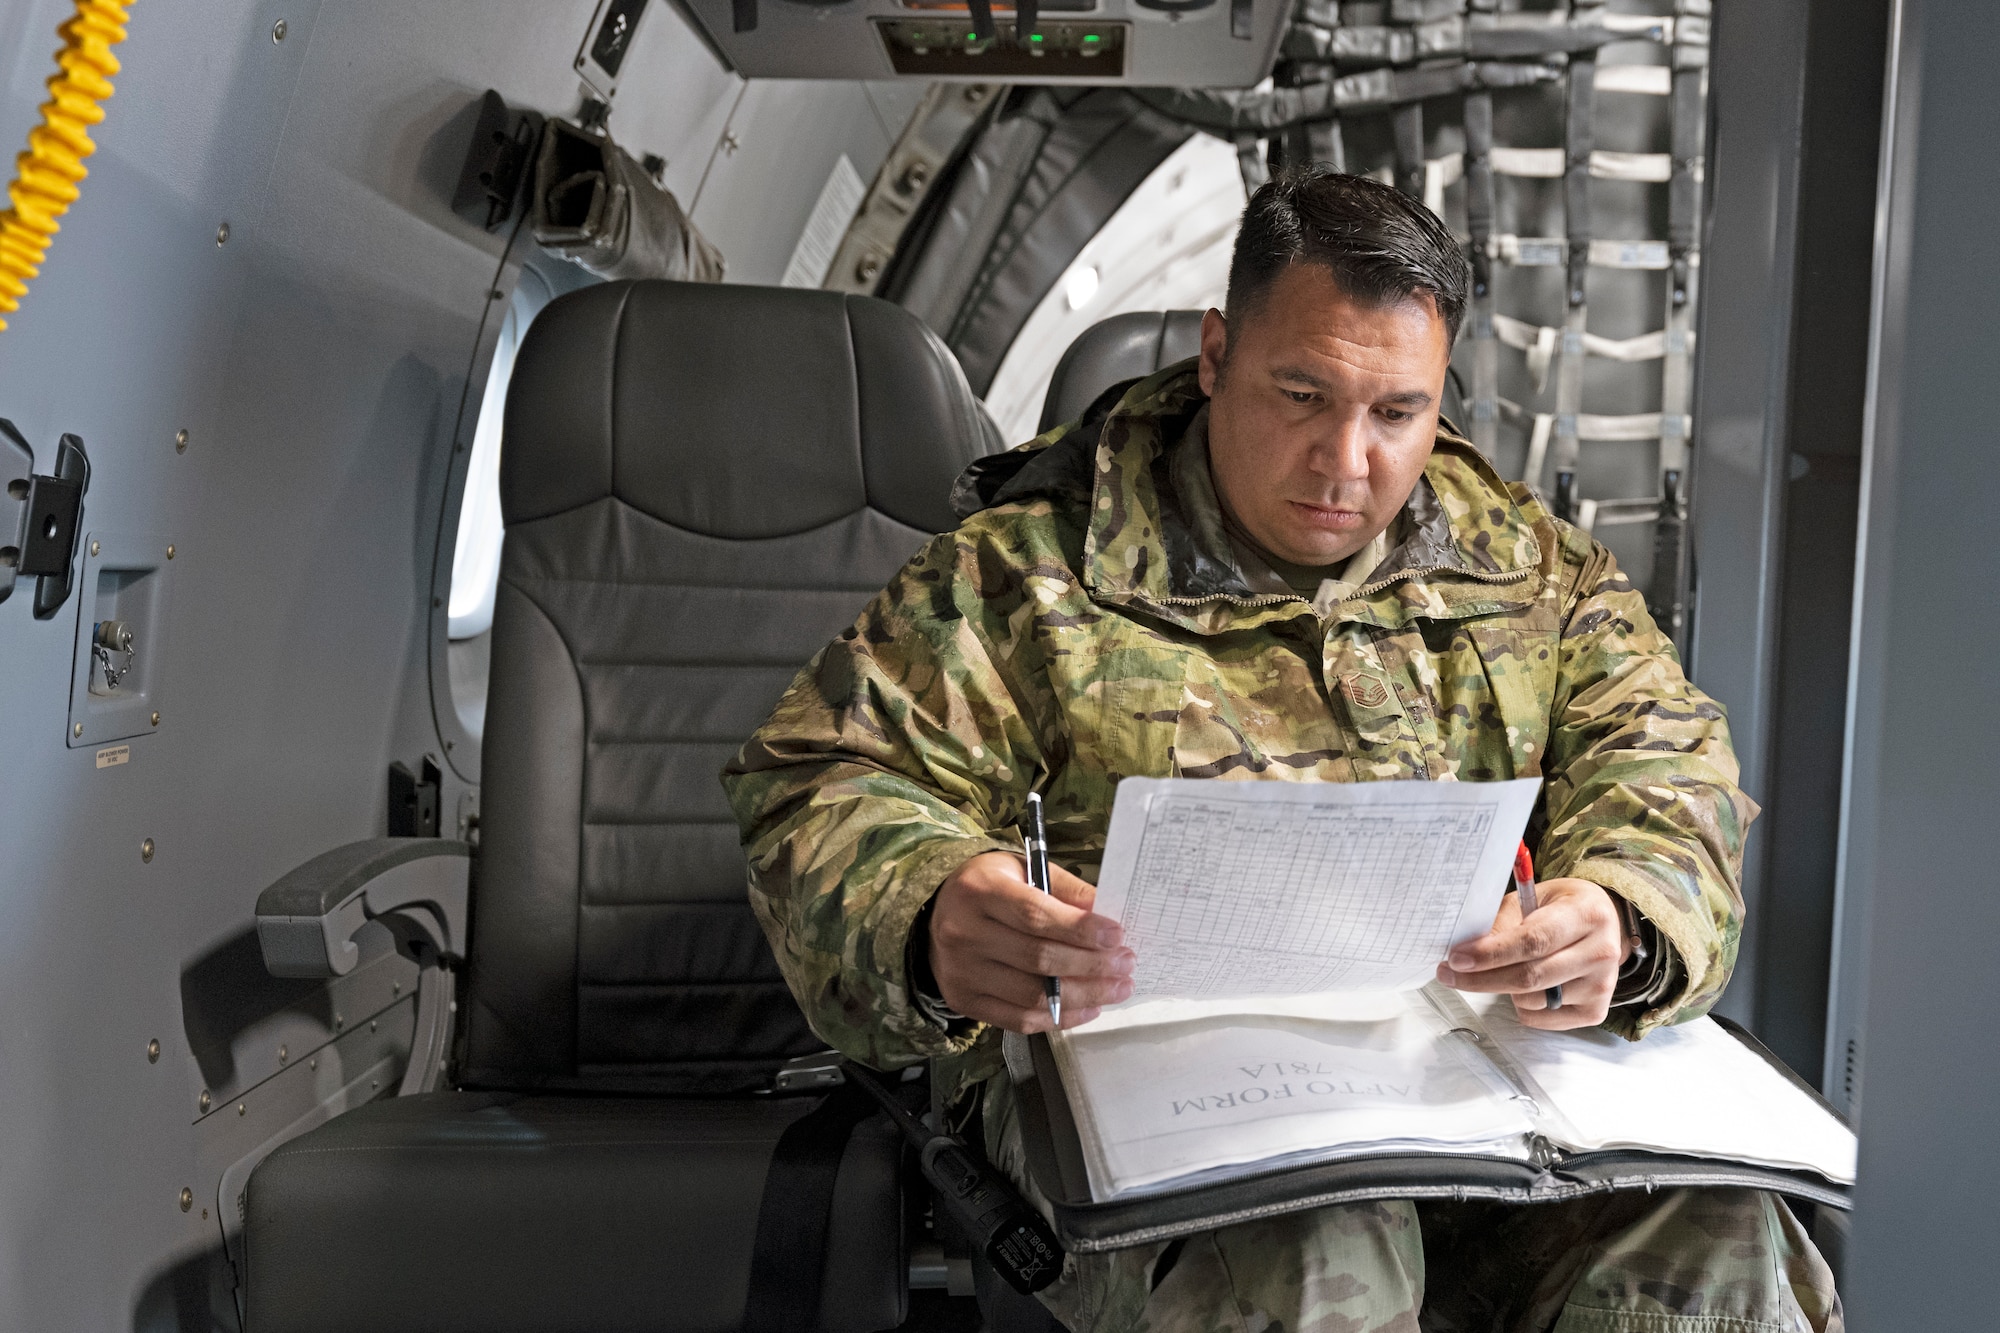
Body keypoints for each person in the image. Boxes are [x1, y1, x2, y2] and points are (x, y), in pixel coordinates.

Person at [723, 169, 1840, 1332]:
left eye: (1394, 413)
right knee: (1319, 1248)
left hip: (1472, 1097)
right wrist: (930, 911)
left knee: (1720, 1240)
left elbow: (1663, 765)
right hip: (1152, 1109)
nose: (1342, 460)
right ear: (1215, 355)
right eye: (1300, 394)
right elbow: (824, 779)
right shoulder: (1028, 576)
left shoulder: (1530, 571)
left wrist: (1622, 910)